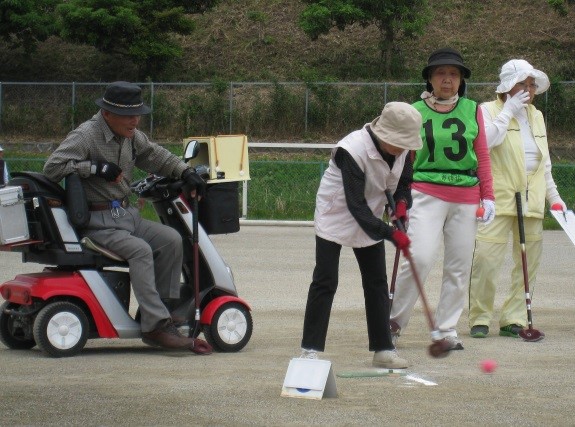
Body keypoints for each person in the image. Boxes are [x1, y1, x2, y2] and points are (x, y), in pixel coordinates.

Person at [43, 81, 212, 354]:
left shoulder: (131, 134)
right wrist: (93, 167)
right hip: (97, 221)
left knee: (171, 239)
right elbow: (52, 168)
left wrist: (185, 172)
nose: (136, 120)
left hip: (125, 214)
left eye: (138, 114)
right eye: (129, 115)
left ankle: (159, 312)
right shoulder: (86, 135)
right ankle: (156, 327)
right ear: (108, 113)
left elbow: (154, 155)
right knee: (141, 250)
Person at [299, 102, 422, 369]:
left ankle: (383, 349)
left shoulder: (404, 150)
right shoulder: (352, 150)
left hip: (371, 212)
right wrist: (391, 233)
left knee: (376, 282)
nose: (402, 149)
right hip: (336, 212)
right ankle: (310, 349)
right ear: (383, 134)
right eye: (398, 143)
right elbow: (356, 206)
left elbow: (404, 183)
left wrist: (401, 204)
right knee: (325, 280)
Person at [389, 48, 495, 350]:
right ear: (430, 79)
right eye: (440, 73)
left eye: (453, 74)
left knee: (459, 265)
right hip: (424, 191)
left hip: (465, 195)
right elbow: (404, 157)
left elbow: (482, 155)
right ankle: (394, 322)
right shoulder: (414, 111)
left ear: (461, 80)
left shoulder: (473, 109)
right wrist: (399, 196)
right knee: (418, 257)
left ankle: (447, 329)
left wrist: (488, 195)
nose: (447, 79)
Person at [468, 59, 566, 339]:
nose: (529, 89)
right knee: (486, 258)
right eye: (523, 84)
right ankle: (480, 317)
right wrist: (507, 113)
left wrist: (555, 198)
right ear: (508, 85)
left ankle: (514, 317)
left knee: (527, 261)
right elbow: (485, 144)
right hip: (497, 196)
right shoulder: (486, 110)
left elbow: (543, 160)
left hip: (532, 197)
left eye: (532, 84)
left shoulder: (536, 115)